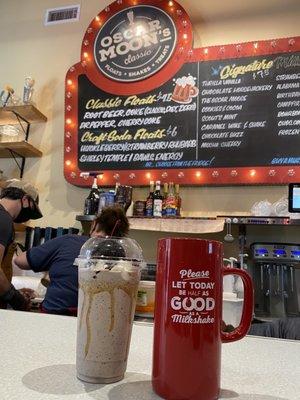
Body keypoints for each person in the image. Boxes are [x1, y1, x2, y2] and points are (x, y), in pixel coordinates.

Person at [13, 206, 129, 316]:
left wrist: (51, 262)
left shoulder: (69, 241)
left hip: (55, 316)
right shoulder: (122, 255)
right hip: (99, 320)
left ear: (94, 224)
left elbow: (19, 261)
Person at [0, 179, 43, 310]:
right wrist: (16, 299)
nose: (28, 218)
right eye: (31, 210)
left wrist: (14, 290)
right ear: (25, 200)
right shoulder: (3, 219)